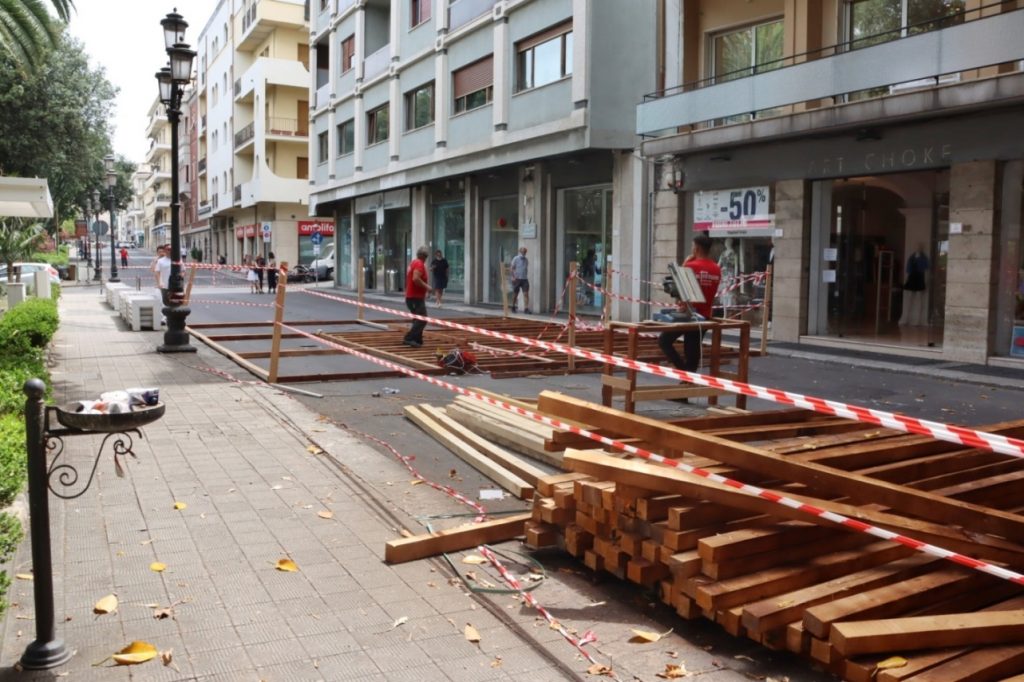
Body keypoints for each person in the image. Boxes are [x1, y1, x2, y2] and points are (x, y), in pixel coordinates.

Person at [658, 233, 721, 373]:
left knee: (664, 341)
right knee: (692, 351)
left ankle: (684, 373)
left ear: (697, 248)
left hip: (688, 315)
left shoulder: (690, 266)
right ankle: (685, 386)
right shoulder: (716, 268)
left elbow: (680, 289)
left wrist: (685, 264)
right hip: (705, 315)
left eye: (693, 246)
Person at [403, 246, 430, 348]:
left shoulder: (414, 262)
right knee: (422, 319)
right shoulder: (419, 264)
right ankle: (409, 338)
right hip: (415, 297)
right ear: (424, 256)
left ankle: (417, 340)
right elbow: (415, 278)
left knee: (417, 319)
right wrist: (427, 287)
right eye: (426, 256)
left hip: (412, 296)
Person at [151, 244, 171, 326]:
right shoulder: (157, 261)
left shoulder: (168, 260)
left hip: (168, 285)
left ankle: (167, 318)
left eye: (162, 251)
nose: (161, 253)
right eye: (159, 252)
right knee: (160, 301)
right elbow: (153, 270)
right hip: (159, 285)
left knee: (168, 302)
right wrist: (155, 261)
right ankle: (164, 318)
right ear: (157, 253)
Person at [717, 238, 738, 309]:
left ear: (730, 243)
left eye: (727, 242)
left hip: (730, 274)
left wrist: (735, 278)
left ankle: (729, 308)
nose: (726, 244)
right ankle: (724, 309)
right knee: (724, 291)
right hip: (723, 274)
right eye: (725, 242)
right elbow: (718, 264)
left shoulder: (734, 254)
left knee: (729, 291)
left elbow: (736, 266)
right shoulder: (723, 253)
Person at [510, 246, 531, 314]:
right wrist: (513, 277)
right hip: (517, 279)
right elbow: (512, 268)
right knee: (516, 294)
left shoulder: (526, 260)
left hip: (524, 279)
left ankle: (526, 308)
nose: (524, 253)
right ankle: (513, 306)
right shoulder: (516, 258)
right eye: (522, 251)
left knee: (526, 294)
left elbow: (525, 269)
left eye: (525, 252)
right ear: (520, 251)